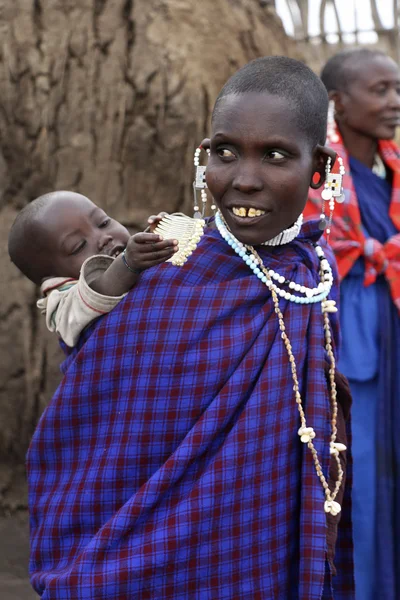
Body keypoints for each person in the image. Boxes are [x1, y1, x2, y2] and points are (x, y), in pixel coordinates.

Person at [26, 57, 354, 599]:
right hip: (147, 558)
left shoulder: (314, 268)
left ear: (318, 168)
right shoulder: (167, 264)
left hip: (266, 536)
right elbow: (93, 412)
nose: (244, 179)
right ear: (204, 160)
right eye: (225, 153)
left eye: (275, 156)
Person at [305, 48, 400, 600]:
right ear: (337, 101)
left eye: (397, 89)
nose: (395, 103)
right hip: (348, 345)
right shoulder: (318, 178)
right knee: (355, 472)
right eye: (381, 90)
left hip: (392, 333)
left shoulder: (392, 173)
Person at [8, 191, 177, 347]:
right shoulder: (63, 304)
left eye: (103, 223)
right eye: (79, 246)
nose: (103, 238)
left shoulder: (133, 258)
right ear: (54, 280)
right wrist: (127, 264)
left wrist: (163, 235)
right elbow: (93, 294)